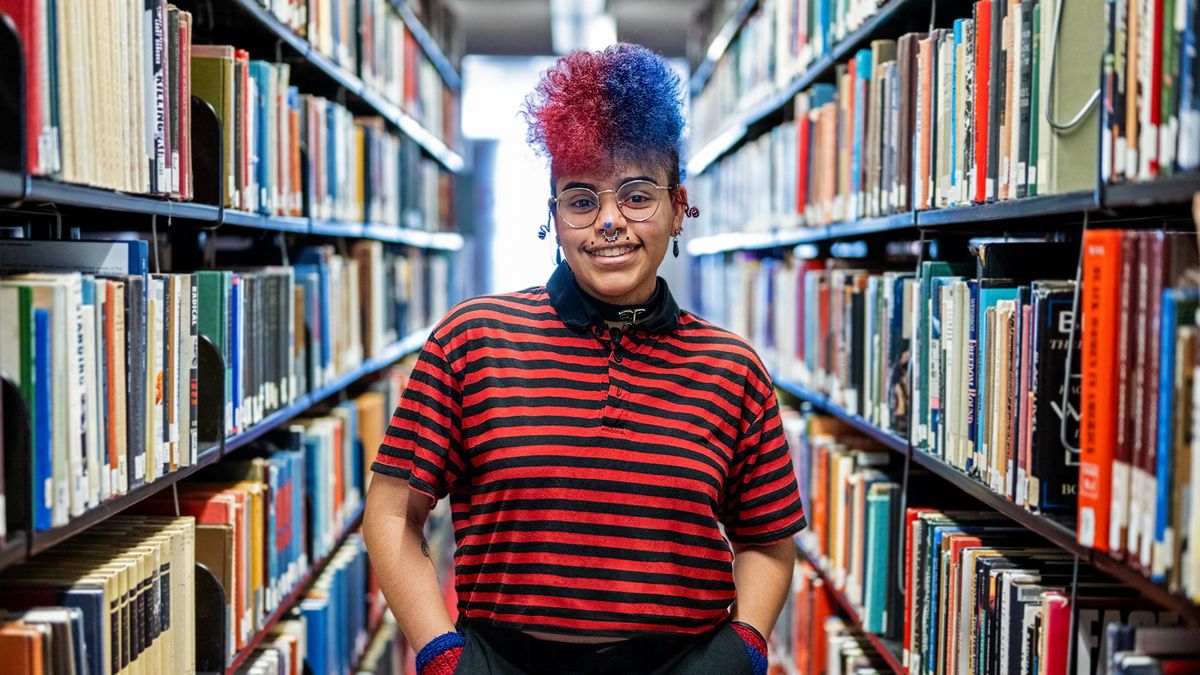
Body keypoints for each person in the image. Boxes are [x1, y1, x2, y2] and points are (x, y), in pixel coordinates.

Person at [362, 43, 806, 675]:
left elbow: (767, 539)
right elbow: (390, 514)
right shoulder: (471, 341)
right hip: (501, 662)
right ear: (554, 218)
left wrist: (744, 650)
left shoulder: (732, 368)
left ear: (679, 209)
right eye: (580, 199)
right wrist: (441, 654)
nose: (609, 222)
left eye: (637, 195)